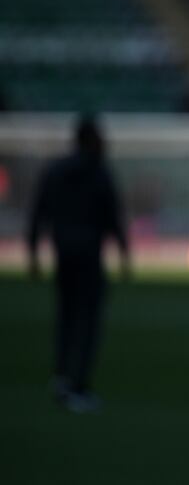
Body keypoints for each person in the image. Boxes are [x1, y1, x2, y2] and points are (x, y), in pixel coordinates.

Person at [28, 113, 129, 412]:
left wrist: (33, 254)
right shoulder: (99, 172)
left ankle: (61, 376)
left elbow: (38, 212)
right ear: (92, 140)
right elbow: (113, 217)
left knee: (65, 318)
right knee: (87, 322)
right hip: (88, 257)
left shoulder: (55, 170)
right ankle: (78, 385)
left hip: (63, 254)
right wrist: (124, 255)